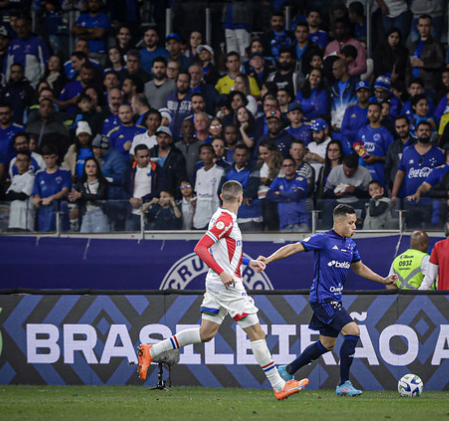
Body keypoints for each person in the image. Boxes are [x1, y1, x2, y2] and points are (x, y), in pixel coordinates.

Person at [136, 180, 310, 400]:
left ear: (220, 196)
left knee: (205, 333)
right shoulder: (226, 220)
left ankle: (151, 351)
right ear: (240, 198)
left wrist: (249, 263)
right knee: (256, 332)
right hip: (227, 285)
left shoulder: (222, 219)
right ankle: (279, 385)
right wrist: (223, 272)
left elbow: (226, 252)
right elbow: (200, 248)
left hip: (217, 283)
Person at [257, 204, 397, 396]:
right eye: (350, 223)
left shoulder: (350, 244)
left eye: (355, 223)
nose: (354, 227)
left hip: (334, 299)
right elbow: (293, 247)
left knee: (327, 344)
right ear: (338, 222)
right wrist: (268, 260)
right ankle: (344, 384)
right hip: (323, 298)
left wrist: (383, 279)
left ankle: (287, 371)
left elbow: (359, 268)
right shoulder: (323, 239)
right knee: (353, 331)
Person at [32, 144, 72, 232]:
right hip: (44, 213)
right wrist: (36, 199)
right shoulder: (39, 174)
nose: (50, 161)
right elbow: (37, 193)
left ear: (57, 157)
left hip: (59, 211)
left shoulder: (65, 172)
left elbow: (65, 190)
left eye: (52, 157)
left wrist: (51, 198)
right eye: (47, 158)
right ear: (43, 158)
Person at [266, 157, 310, 232]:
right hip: (284, 222)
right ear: (282, 168)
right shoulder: (279, 179)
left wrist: (279, 193)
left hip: (300, 222)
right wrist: (287, 198)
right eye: (285, 166)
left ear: (295, 167)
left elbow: (296, 195)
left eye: (290, 165)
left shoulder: (301, 179)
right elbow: (269, 195)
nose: (288, 168)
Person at [69, 156, 110, 233]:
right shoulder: (80, 183)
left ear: (97, 168)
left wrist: (81, 195)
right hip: (86, 215)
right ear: (84, 168)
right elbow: (73, 196)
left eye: (93, 166)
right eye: (88, 166)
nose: (90, 169)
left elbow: (100, 197)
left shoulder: (103, 182)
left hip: (99, 214)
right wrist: (71, 196)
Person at [193, 144, 225, 230]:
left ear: (213, 154)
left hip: (214, 208)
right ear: (200, 156)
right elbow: (197, 192)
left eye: (208, 153)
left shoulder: (220, 171)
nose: (206, 155)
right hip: (200, 211)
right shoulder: (198, 172)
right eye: (203, 153)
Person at [5, 150, 36, 232]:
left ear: (29, 163)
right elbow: (8, 195)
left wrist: (13, 194)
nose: (21, 163)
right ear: (15, 163)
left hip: (24, 221)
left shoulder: (31, 177)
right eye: (19, 160)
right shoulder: (15, 178)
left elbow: (23, 196)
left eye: (24, 160)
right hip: (13, 221)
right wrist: (14, 194)